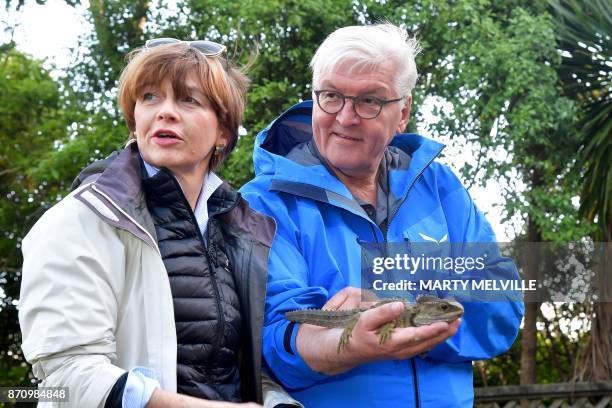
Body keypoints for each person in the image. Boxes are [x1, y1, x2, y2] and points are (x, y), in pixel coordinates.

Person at [240, 24, 524, 407]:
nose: (345, 117)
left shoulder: (441, 189)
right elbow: (274, 336)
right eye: (330, 96)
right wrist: (348, 344)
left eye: (369, 101)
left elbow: (502, 306)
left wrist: (399, 311)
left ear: (403, 112)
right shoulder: (263, 204)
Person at [19, 38, 299, 408]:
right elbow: (68, 378)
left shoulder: (244, 230)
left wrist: (279, 402)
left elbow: (238, 369)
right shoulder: (81, 218)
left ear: (223, 133)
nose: (165, 112)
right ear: (134, 119)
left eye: (188, 100)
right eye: (150, 97)